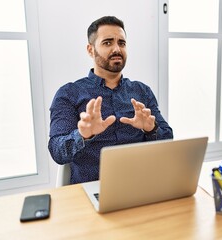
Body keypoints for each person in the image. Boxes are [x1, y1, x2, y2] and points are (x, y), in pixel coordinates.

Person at [48, 16, 173, 184]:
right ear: (91, 50)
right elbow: (57, 151)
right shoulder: (69, 93)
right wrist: (83, 135)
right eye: (107, 43)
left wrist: (151, 129)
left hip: (141, 184)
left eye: (121, 43)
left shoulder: (142, 91)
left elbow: (168, 142)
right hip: (92, 188)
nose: (117, 49)